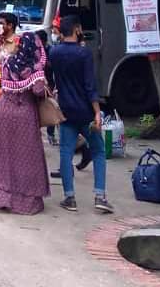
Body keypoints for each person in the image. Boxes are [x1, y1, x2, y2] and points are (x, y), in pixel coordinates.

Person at [48, 16, 112, 213]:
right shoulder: (84, 54)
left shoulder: (54, 52)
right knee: (98, 151)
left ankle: (70, 198)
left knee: (66, 153)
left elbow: (49, 76)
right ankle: (100, 196)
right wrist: (97, 112)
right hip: (86, 112)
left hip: (65, 110)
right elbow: (90, 86)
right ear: (76, 29)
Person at [0, 32, 50, 214]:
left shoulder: (9, 63)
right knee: (27, 158)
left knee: (5, 156)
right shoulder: (34, 68)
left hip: (4, 111)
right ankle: (25, 202)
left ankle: (2, 198)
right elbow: (39, 91)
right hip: (24, 114)